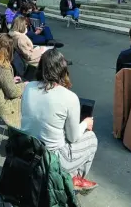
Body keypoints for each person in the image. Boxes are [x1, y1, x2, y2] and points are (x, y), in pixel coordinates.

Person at [20, 49, 98, 192]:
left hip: (28, 150)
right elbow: (73, 138)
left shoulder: (28, 87)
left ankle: (70, 176)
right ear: (63, 70)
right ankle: (74, 179)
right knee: (91, 138)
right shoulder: (69, 97)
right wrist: (85, 123)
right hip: (52, 158)